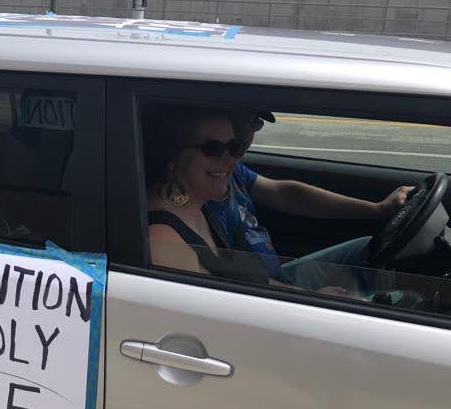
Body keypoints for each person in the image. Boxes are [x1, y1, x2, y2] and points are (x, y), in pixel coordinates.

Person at [204, 109, 412, 291]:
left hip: (277, 278)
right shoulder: (202, 195)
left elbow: (283, 193)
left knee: (369, 249)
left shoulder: (233, 171)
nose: (249, 135)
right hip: (267, 293)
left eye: (256, 123)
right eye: (246, 121)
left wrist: (377, 209)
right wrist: (308, 298)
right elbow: (232, 282)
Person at [144, 105, 272, 285]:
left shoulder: (198, 207)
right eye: (212, 149)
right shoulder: (163, 239)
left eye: (235, 147)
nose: (230, 160)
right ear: (173, 156)